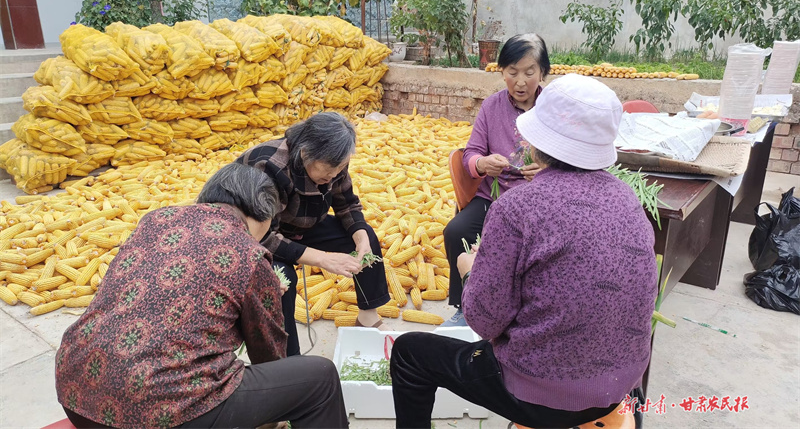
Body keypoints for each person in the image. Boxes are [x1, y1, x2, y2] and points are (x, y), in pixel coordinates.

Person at [390, 74, 657, 429]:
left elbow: (484, 322)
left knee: (410, 354)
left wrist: (470, 270)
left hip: (546, 396)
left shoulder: (516, 208)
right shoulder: (626, 197)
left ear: (533, 143)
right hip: (624, 382)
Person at [54, 163, 349, 428]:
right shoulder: (249, 253)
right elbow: (268, 353)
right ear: (262, 213)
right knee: (319, 377)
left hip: (76, 391)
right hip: (157, 412)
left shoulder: (154, 221)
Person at [237, 111, 391, 356]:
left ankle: (367, 317)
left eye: (339, 168)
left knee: (367, 236)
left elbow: (346, 204)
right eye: (328, 170)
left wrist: (360, 236)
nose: (332, 176)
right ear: (305, 153)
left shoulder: (334, 160)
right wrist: (323, 259)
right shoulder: (268, 166)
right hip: (257, 236)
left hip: (302, 224)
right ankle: (289, 357)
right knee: (282, 277)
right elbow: (264, 237)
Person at [442, 33, 550, 326]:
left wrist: (546, 170)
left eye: (529, 72)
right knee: (456, 231)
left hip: (538, 200)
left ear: (542, 73)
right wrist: (482, 163)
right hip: (495, 196)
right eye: (512, 72)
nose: (520, 81)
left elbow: (568, 159)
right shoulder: (492, 107)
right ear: (502, 72)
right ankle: (465, 305)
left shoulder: (552, 109)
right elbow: (471, 153)